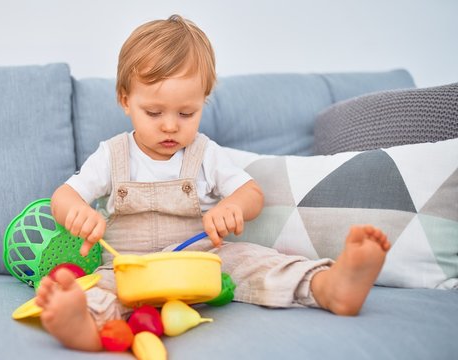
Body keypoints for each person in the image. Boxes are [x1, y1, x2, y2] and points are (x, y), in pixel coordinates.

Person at [36, 14, 391, 351]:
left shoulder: (205, 153)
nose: (171, 126)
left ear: (203, 102)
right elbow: (63, 196)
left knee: (254, 260)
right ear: (126, 100)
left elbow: (251, 193)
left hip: (200, 261)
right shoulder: (112, 155)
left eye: (187, 113)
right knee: (101, 289)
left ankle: (328, 287)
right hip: (129, 266)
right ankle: (82, 324)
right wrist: (78, 213)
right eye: (155, 113)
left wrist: (232, 206)